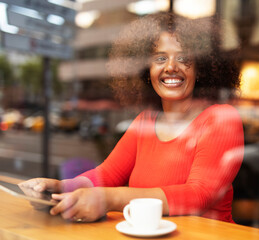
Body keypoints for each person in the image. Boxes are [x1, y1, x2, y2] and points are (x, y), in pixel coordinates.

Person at [20, 12, 244, 223]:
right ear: (147, 70)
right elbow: (108, 174)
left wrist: (108, 199)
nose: (171, 67)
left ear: (201, 68)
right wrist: (62, 188)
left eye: (184, 58)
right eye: (160, 58)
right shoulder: (146, 120)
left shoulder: (221, 119)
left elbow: (198, 195)